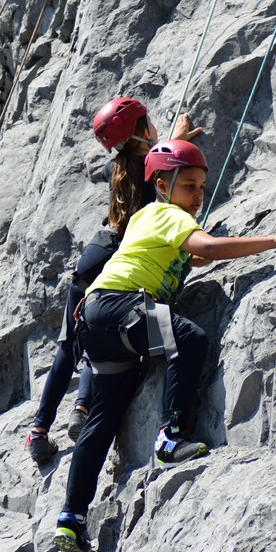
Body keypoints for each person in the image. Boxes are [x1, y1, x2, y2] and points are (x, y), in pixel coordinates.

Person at [53, 139, 276, 552]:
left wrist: (194, 258)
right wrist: (275, 241)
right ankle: (169, 438)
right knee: (188, 338)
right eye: (189, 185)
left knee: (105, 416)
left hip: (98, 323)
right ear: (162, 184)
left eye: (202, 188)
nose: (197, 196)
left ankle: (71, 518)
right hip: (122, 305)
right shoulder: (165, 213)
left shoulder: (146, 218)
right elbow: (206, 247)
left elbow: (185, 257)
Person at [26, 97, 202, 462]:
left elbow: (146, 160)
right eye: (149, 123)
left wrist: (168, 139)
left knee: (70, 345)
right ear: (141, 133)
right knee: (100, 339)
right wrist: (177, 139)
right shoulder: (147, 171)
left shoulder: (120, 167)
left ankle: (41, 428)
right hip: (110, 271)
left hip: (92, 259)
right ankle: (81, 407)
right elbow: (159, 171)